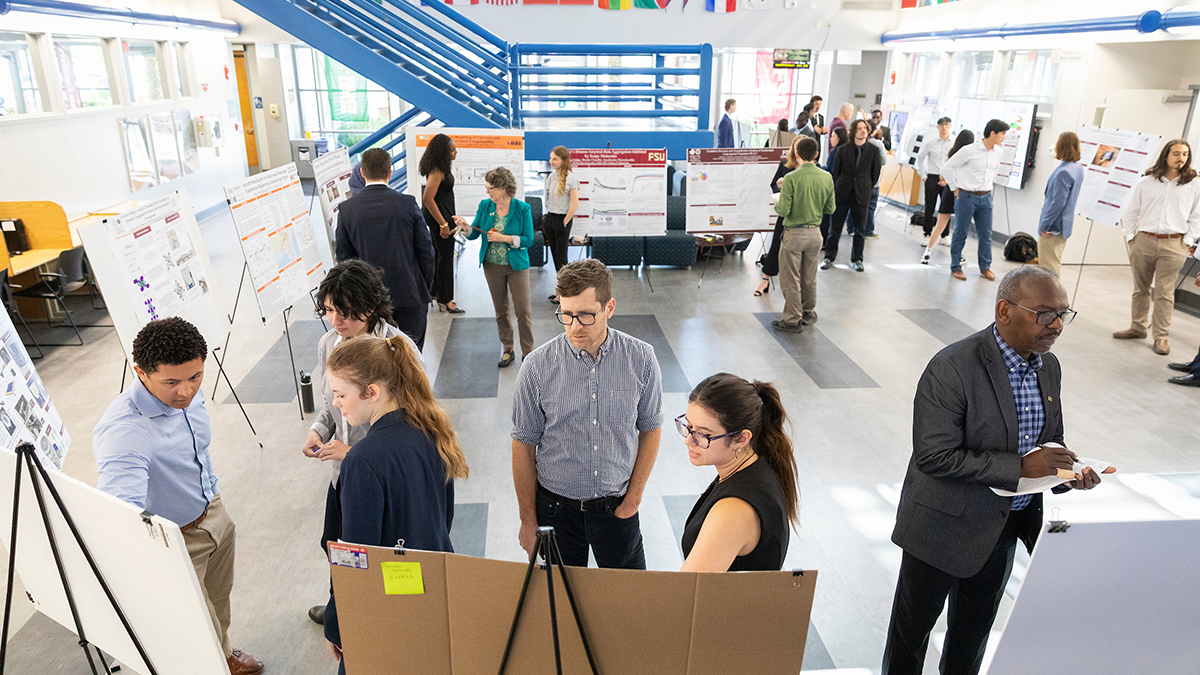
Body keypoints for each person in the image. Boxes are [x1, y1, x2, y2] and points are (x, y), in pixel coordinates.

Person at [882, 266, 1101, 675]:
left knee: (972, 636)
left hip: (1001, 529)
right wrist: (1019, 466)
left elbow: (1048, 441)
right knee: (911, 638)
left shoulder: (1047, 366)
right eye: (1044, 313)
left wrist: (1069, 471)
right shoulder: (952, 368)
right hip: (941, 528)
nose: (1056, 324)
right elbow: (933, 456)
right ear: (1004, 310)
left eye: (1063, 314)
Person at [93, 318, 263, 675]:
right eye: (171, 382)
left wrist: (212, 496)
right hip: (173, 538)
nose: (186, 391)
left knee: (218, 600)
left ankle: (224, 652)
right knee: (193, 627)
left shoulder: (189, 393)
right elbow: (119, 513)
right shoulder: (126, 432)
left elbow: (198, 451)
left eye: (195, 377)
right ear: (140, 372)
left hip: (212, 513)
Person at [322, 334, 468, 673]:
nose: (336, 404)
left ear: (372, 391)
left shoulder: (363, 459)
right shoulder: (432, 431)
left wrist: (338, 622)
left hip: (387, 605)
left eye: (341, 394)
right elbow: (443, 517)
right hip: (432, 590)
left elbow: (358, 557)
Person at [511, 258, 663, 569]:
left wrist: (633, 499)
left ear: (609, 307)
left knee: (626, 602)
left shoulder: (642, 359)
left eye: (586, 315)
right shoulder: (536, 367)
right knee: (564, 608)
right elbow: (523, 445)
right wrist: (528, 520)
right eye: (566, 315)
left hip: (616, 507)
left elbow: (650, 428)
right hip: (555, 511)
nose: (575, 326)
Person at [301, 260, 418, 626]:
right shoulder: (327, 344)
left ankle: (386, 620)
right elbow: (329, 405)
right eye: (331, 310)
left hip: (382, 478)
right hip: (344, 475)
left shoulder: (398, 349)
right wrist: (319, 430)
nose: (337, 321)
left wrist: (355, 455)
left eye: (347, 312)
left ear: (371, 306)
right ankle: (343, 608)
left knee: (385, 553)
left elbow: (414, 425)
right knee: (336, 545)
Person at [678, 373, 799, 572]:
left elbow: (685, 592)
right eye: (689, 426)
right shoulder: (758, 464)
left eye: (704, 434)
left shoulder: (733, 512)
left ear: (741, 438)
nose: (688, 440)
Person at [336, 147, 435, 350]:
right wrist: (424, 286)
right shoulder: (407, 204)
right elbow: (426, 251)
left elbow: (345, 261)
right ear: (390, 172)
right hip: (410, 293)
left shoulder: (347, 210)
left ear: (362, 173)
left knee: (376, 358)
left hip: (368, 302)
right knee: (411, 355)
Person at [1112, 139, 1200, 356]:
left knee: (1165, 292)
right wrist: (1131, 237)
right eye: (1177, 153)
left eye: (1185, 154)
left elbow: (1197, 215)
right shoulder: (1147, 181)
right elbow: (1132, 211)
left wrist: (1188, 241)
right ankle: (1138, 327)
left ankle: (1161, 336)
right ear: (1166, 155)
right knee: (1140, 287)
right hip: (1144, 240)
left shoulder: (1193, 183)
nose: (1182, 158)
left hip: (1174, 243)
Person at [465, 166, 535, 368]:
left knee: (523, 311)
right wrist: (465, 227)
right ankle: (508, 349)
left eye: (491, 188)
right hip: (492, 265)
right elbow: (474, 234)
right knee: (500, 310)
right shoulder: (485, 206)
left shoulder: (522, 208)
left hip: (517, 266)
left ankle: (528, 352)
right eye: (487, 188)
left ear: (503, 187)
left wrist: (504, 238)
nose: (488, 192)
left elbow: (529, 239)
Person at [771, 137, 835, 333]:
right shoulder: (826, 177)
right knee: (809, 277)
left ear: (797, 154)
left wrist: (778, 197)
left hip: (794, 234)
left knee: (791, 279)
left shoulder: (791, 179)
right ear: (816, 154)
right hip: (815, 234)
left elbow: (783, 209)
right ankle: (808, 312)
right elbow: (830, 208)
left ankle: (792, 319)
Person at [942, 119, 1009, 282]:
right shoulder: (969, 150)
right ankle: (956, 267)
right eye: (1002, 134)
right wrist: (954, 188)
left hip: (986, 197)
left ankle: (985, 266)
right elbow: (947, 167)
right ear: (992, 133)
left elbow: (993, 172)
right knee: (961, 232)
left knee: (986, 234)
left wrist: (987, 186)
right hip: (966, 196)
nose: (1004, 137)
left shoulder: (998, 152)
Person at [823, 119, 881, 272]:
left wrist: (865, 186)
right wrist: (839, 186)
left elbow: (875, 174)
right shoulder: (843, 150)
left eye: (865, 128)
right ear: (853, 131)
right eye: (859, 128)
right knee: (834, 227)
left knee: (860, 229)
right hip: (843, 192)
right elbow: (836, 172)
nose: (863, 131)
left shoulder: (874, 151)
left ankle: (857, 259)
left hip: (861, 194)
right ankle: (829, 256)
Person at [418, 133, 464, 314]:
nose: (455, 152)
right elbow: (427, 198)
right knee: (445, 258)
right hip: (440, 219)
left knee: (440, 256)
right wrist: (443, 224)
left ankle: (436, 293)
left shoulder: (442, 168)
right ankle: (446, 299)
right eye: (452, 150)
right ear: (442, 152)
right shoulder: (437, 170)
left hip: (443, 216)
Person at [755, 136, 805, 297]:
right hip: (785, 211)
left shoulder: (811, 169)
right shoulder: (785, 165)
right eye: (796, 148)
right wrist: (779, 188)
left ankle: (798, 285)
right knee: (776, 244)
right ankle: (765, 279)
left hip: (802, 215)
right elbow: (773, 184)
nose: (798, 152)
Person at [1036, 132, 1086, 277]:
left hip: (1053, 226)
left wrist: (1045, 225)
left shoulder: (1063, 172)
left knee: (1048, 267)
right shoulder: (1077, 168)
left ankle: (1051, 297)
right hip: (1064, 225)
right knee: (1054, 262)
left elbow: (1057, 203)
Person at [921, 129, 973, 265]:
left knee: (940, 225)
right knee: (959, 228)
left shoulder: (952, 154)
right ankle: (957, 255)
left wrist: (948, 182)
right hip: (961, 193)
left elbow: (943, 174)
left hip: (949, 192)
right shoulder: (968, 157)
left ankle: (927, 252)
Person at [543, 145, 580, 300]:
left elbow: (575, 203)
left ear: (563, 160)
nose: (552, 161)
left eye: (555, 159)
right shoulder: (552, 176)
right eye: (551, 158)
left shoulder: (570, 178)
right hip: (550, 218)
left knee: (562, 258)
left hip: (561, 219)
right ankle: (559, 290)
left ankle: (564, 292)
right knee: (554, 256)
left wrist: (565, 221)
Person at [916, 117, 954, 248]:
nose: (944, 127)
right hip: (932, 177)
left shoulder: (954, 142)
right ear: (937, 127)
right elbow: (920, 159)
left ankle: (944, 235)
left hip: (948, 179)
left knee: (946, 207)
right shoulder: (931, 142)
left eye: (947, 125)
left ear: (950, 126)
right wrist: (924, 176)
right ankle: (927, 234)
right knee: (929, 207)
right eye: (942, 125)